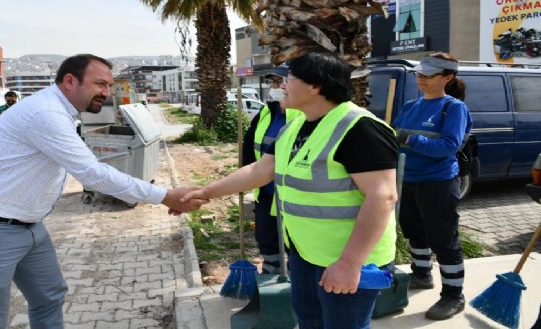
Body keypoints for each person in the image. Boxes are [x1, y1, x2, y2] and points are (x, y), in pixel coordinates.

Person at [0, 54, 206, 329]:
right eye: (100, 84)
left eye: (109, 85)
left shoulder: (61, 112)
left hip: (28, 227)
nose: (106, 92)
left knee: (49, 297)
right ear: (70, 81)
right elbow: (91, 172)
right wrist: (164, 196)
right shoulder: (45, 113)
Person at [184, 52, 399, 328]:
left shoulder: (360, 128)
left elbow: (382, 197)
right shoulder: (294, 126)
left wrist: (349, 263)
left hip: (348, 258)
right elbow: (259, 171)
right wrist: (205, 193)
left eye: (289, 79)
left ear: (315, 86)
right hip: (305, 254)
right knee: (309, 321)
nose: (282, 85)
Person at [392, 52, 473, 321]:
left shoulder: (453, 108)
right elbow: (395, 138)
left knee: (443, 239)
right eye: (419, 74)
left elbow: (449, 146)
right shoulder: (410, 106)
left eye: (429, 75)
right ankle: (422, 275)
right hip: (408, 180)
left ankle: (453, 295)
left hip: (438, 181)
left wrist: (410, 139)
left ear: (448, 77)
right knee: (414, 231)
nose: (421, 79)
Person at [242, 62, 300, 274]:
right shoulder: (266, 113)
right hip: (265, 189)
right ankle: (271, 271)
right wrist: (245, 177)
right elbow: (250, 146)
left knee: (294, 241)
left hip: (293, 193)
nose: (274, 86)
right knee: (266, 236)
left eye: (279, 81)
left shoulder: (302, 116)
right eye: (272, 81)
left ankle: (295, 278)